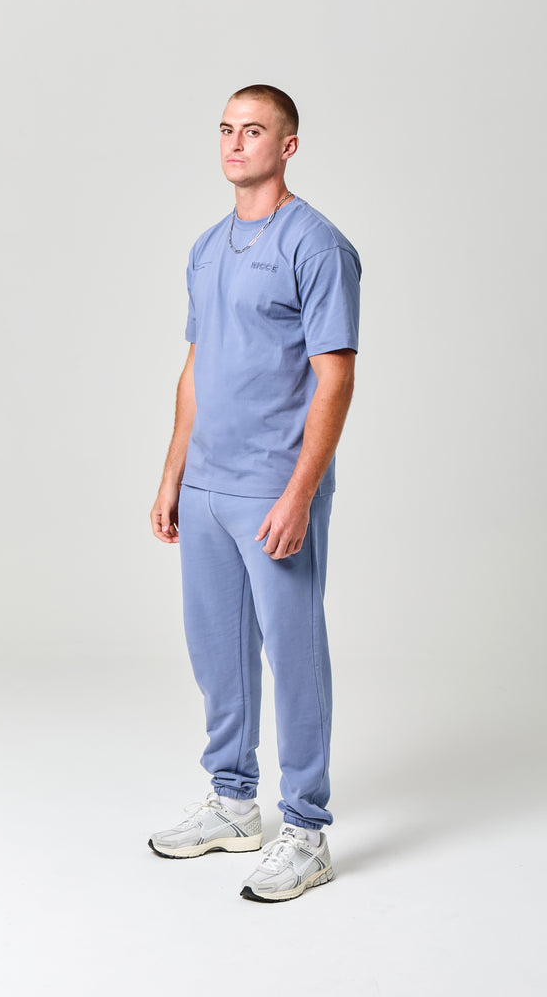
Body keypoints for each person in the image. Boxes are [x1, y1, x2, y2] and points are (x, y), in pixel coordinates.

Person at [148, 84, 361, 902]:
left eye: (254, 131)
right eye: (227, 130)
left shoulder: (317, 245)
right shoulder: (206, 248)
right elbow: (195, 369)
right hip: (207, 484)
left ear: (287, 146)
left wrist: (301, 492)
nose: (235, 144)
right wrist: (174, 473)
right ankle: (234, 804)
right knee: (217, 653)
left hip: (274, 486)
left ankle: (306, 831)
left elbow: (335, 377)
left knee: (293, 655)